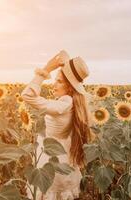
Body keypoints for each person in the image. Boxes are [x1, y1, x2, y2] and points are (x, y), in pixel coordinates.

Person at [21, 50, 96, 200]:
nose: (54, 84)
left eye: (59, 81)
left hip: (52, 157)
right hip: (62, 154)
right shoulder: (73, 102)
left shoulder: (65, 103)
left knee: (48, 193)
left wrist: (46, 70)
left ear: (70, 87)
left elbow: (27, 95)